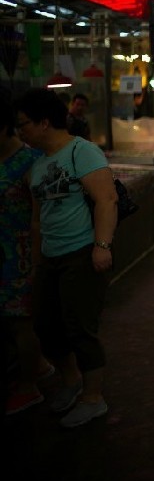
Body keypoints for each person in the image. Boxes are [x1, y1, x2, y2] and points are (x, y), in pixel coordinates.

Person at [15, 88, 118, 428]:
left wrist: (101, 245)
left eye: (24, 125)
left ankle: (93, 398)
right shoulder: (38, 163)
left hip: (81, 252)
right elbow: (37, 217)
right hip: (50, 257)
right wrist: (35, 260)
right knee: (46, 325)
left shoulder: (82, 151)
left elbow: (106, 200)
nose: (20, 132)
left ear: (44, 123)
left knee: (80, 329)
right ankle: (71, 381)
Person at [1, 89, 53, 415]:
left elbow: (40, 218)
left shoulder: (32, 162)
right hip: (3, 253)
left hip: (22, 254)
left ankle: (28, 385)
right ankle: (38, 367)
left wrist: (36, 262)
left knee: (23, 322)